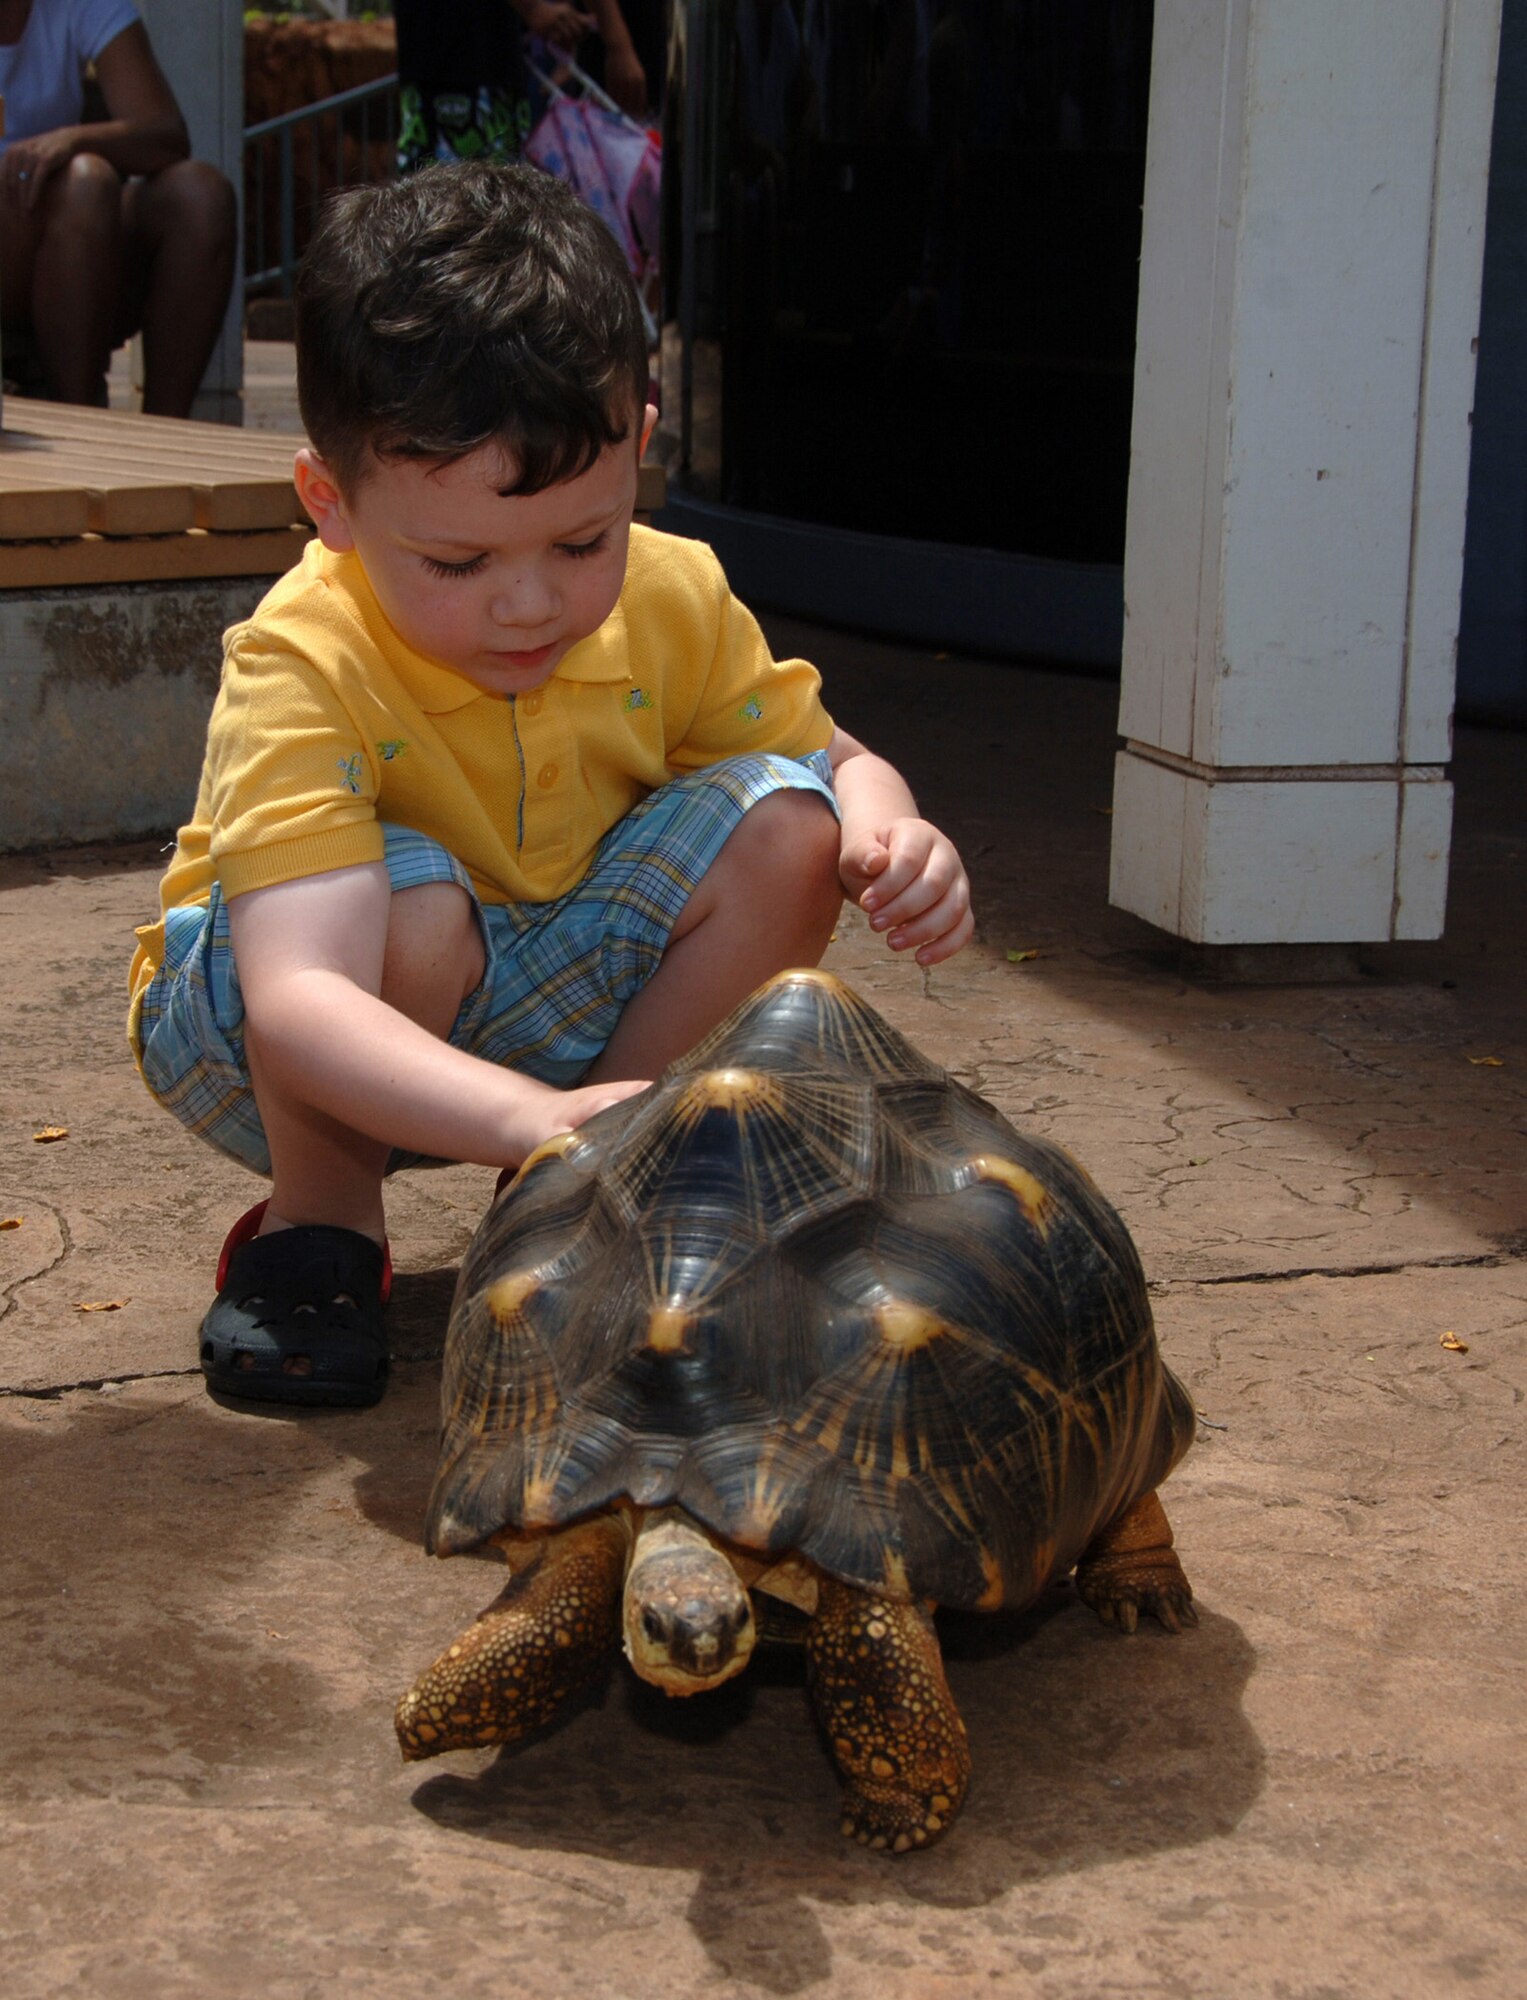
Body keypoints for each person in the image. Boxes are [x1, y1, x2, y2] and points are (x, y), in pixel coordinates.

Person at [127, 161, 973, 1411]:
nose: (531, 602)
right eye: (458, 560)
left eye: (583, 540)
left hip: (547, 982)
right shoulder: (303, 655)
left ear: (640, 444)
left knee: (794, 821)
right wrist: (528, 1108)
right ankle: (321, 1230)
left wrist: (893, 828)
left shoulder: (674, 590)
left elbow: (836, 757)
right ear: (331, 502)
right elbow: (298, 996)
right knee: (410, 897)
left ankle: (588, 1176)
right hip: (272, 1030)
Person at [0, 0, 235, 415]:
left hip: (73, 241)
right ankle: (79, 420)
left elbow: (165, 133)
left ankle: (163, 434)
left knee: (200, 197)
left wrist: (69, 141)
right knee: (85, 186)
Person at [394, 0, 648, 174]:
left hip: (495, 71)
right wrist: (535, 9)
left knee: (499, 218)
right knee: (444, 221)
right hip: (448, 68)